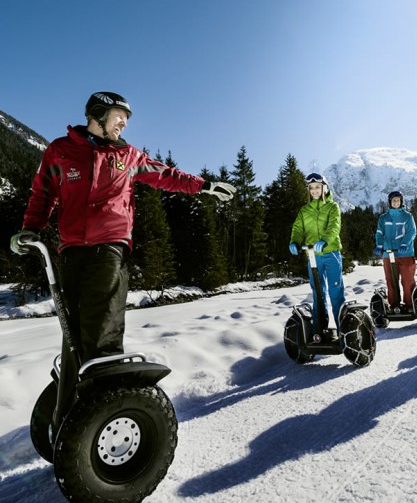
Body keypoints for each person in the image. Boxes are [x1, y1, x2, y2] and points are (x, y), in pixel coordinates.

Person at [10, 91, 236, 365]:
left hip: (110, 246)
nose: (124, 124)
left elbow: (166, 175)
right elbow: (43, 193)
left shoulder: (128, 156)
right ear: (98, 115)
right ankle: (76, 389)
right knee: (75, 328)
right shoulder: (60, 151)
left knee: (103, 322)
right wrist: (30, 228)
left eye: (126, 119)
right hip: (71, 249)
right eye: (120, 116)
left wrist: (204, 186)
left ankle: (109, 386)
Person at [289, 173, 345, 331]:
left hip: (331, 252)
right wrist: (294, 241)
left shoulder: (332, 207)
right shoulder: (304, 210)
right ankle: (320, 330)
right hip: (313, 256)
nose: (314, 190)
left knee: (335, 291)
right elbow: (298, 228)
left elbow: (335, 225)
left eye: (317, 187)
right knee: (318, 292)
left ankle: (343, 330)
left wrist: (326, 240)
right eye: (311, 188)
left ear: (324, 188)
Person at [374, 190, 417, 312]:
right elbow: (379, 233)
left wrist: (405, 243)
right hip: (388, 254)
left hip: (405, 253)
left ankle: (410, 305)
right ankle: (394, 305)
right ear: (390, 202)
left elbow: (411, 232)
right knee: (391, 280)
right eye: (393, 200)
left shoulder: (407, 216)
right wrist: (379, 245)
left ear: (401, 202)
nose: (396, 202)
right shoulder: (383, 218)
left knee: (407, 280)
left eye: (398, 200)